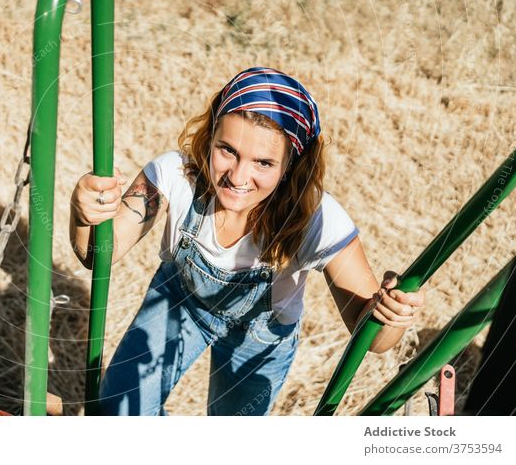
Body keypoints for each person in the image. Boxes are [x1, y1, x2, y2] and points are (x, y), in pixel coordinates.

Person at [69, 67, 426, 416]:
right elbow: (97, 253)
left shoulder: (318, 220)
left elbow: (375, 340)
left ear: (290, 165)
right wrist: (84, 215)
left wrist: (390, 316)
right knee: (118, 409)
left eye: (263, 163)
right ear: (210, 136)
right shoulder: (174, 176)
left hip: (261, 336)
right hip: (180, 300)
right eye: (227, 150)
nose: (238, 176)